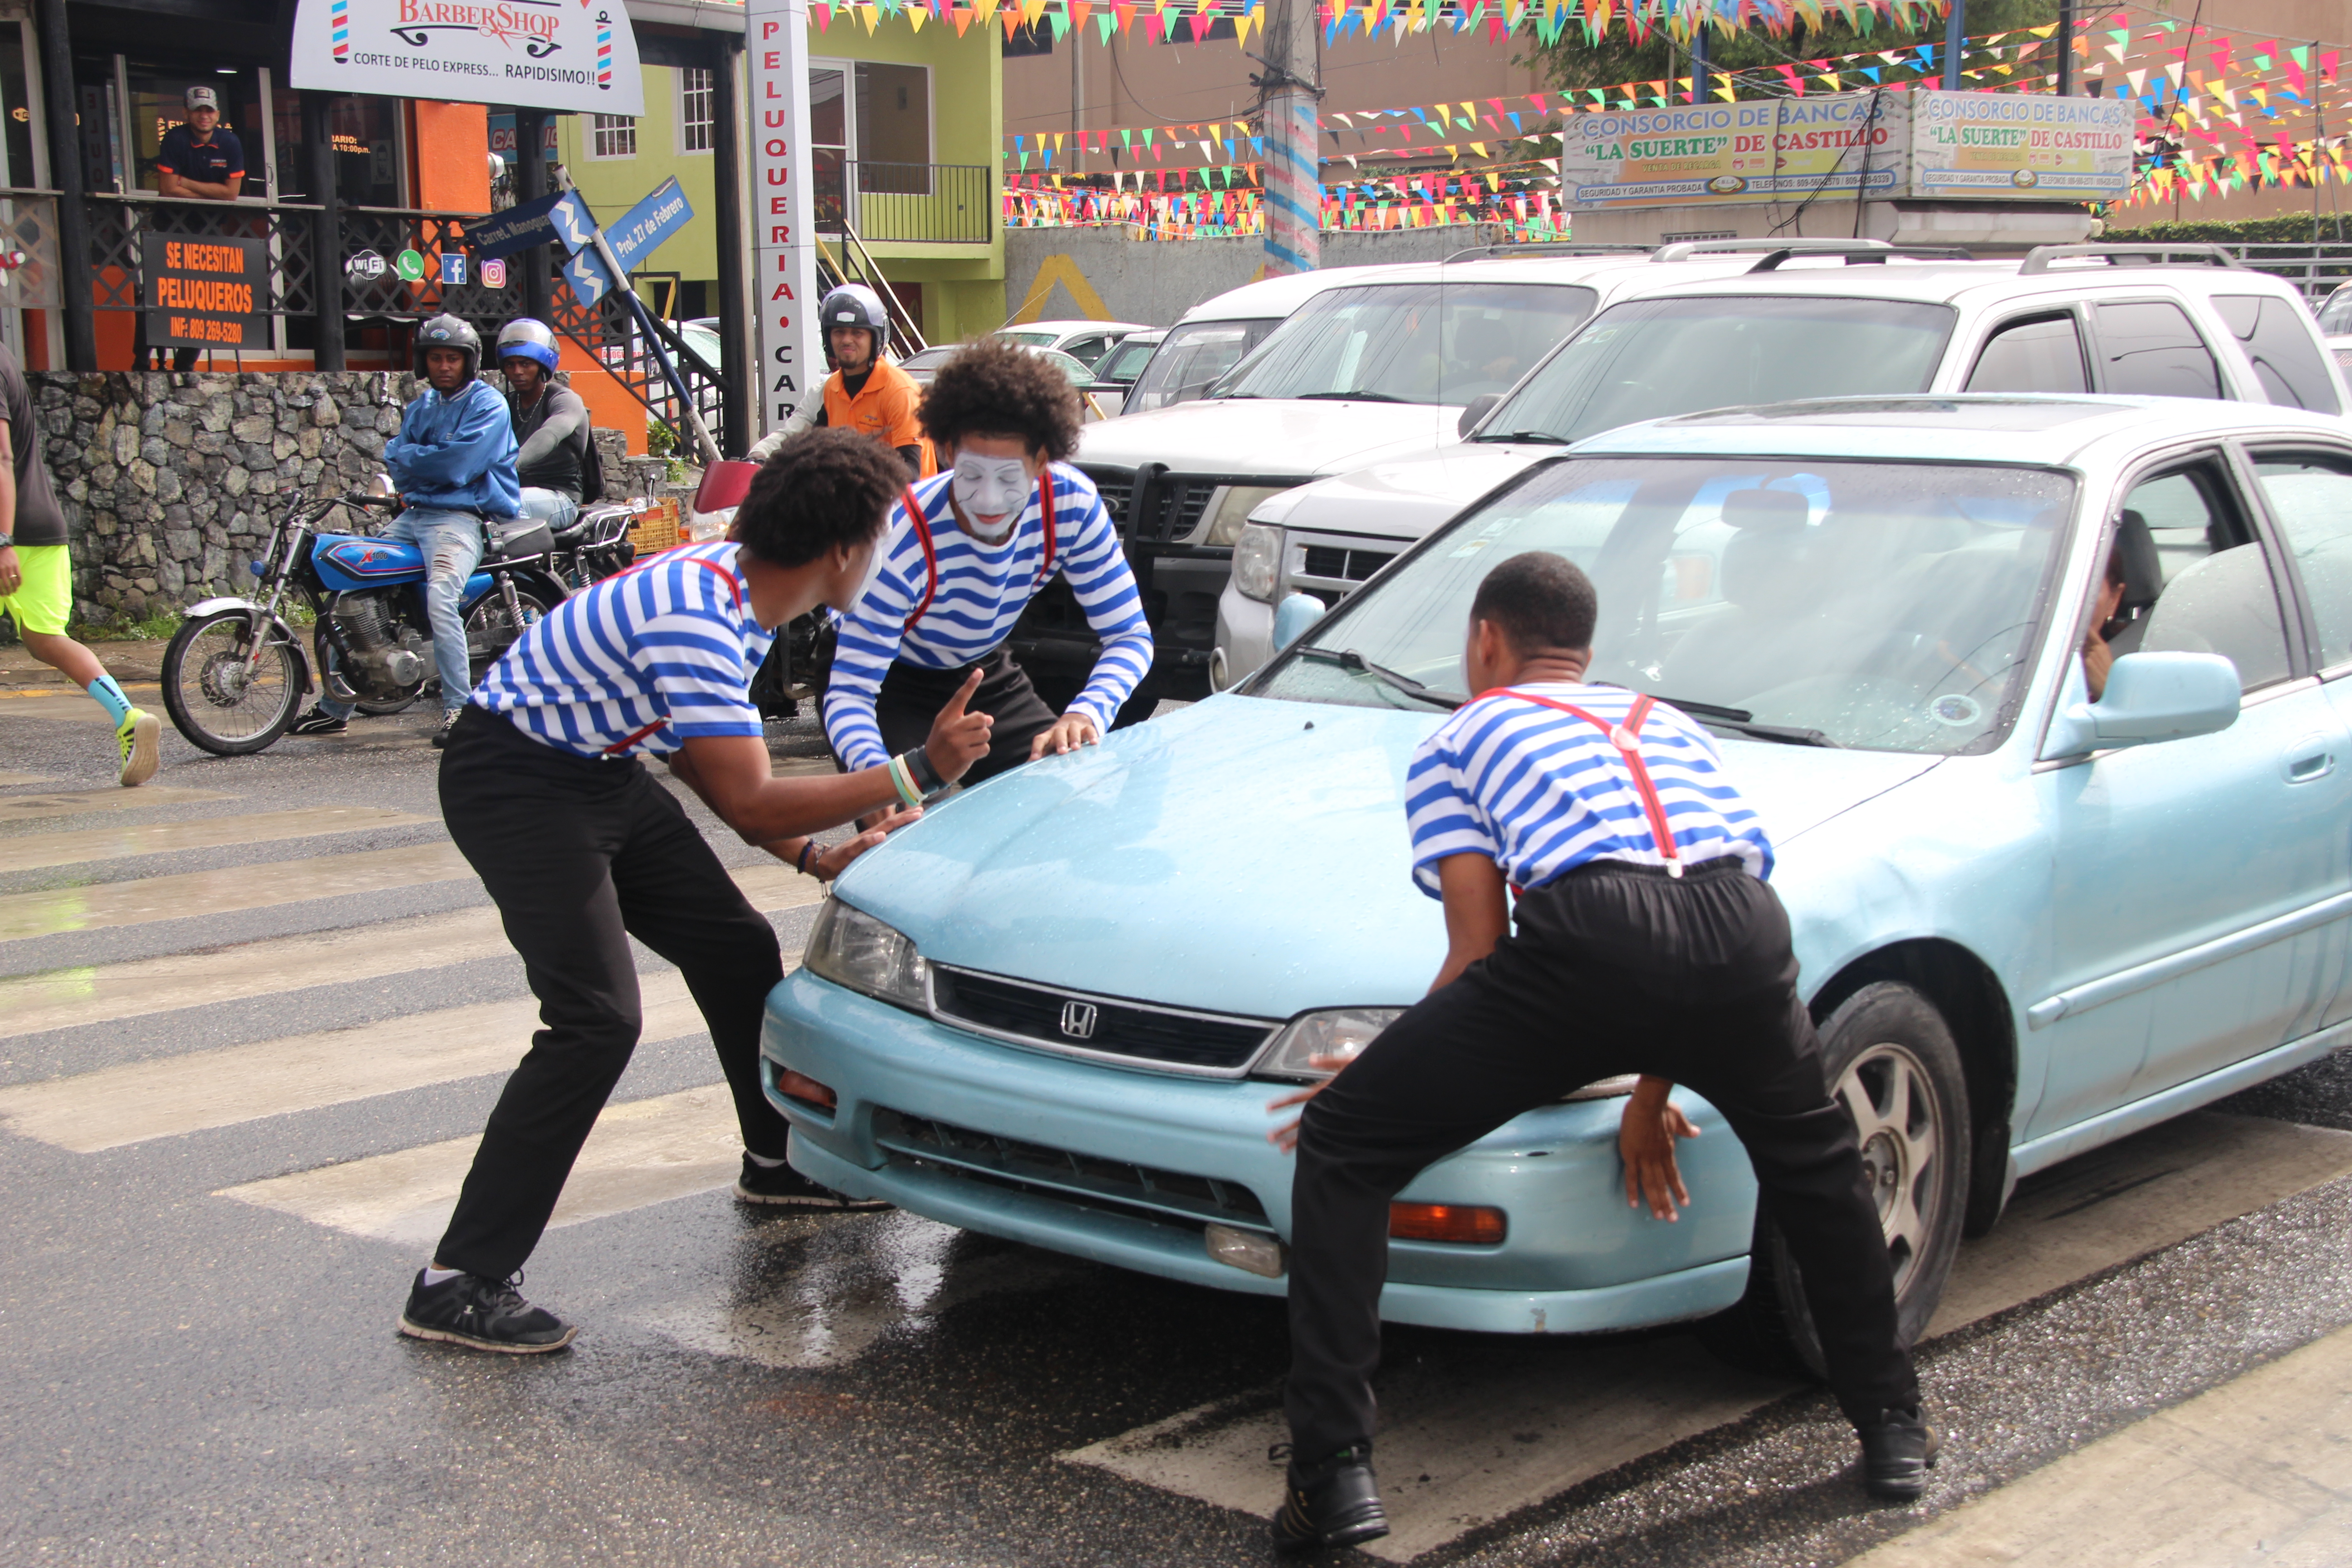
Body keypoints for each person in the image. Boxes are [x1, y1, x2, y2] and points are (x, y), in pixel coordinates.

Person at [1264, 552, 1933, 1553]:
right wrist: (1648, 1086)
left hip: (1593, 934)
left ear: (1486, 640)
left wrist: (1371, 1073)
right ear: (1583, 648)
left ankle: (1333, 1477)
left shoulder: (1462, 734)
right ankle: (1893, 1429)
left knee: (1349, 1144)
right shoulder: (1666, 722)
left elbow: (1481, 951)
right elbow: (1691, 919)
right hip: (1748, 929)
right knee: (1819, 1173)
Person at [397, 429, 997, 1353]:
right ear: (843, 551)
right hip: (515, 778)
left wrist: (814, 857)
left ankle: (776, 1161)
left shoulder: (737, 589)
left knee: (734, 945)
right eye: (877, 541)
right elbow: (749, 793)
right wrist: (917, 768)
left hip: (597, 769)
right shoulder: (703, 615)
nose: (879, 559)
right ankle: (459, 1278)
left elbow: (724, 784)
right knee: (595, 1019)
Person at [822, 337, 1152, 791]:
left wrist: (1085, 713)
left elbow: (1130, 636)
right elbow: (850, 695)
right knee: (906, 830)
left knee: (1061, 801)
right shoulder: (900, 535)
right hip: (889, 681)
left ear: (1040, 461)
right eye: (972, 474)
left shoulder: (1070, 504)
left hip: (980, 670)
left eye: (1009, 477)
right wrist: (880, 785)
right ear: (949, 453)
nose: (990, 500)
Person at [289, 314, 519, 749]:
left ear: (469, 362)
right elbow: (396, 459)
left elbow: (457, 466)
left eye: (453, 358)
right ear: (423, 362)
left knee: (441, 598)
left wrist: (419, 459)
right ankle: (336, 706)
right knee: (354, 587)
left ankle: (459, 708)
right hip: (414, 516)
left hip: (461, 519)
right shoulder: (423, 407)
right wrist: (424, 461)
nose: (444, 366)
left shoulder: (489, 405)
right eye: (436, 358)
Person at [0, 341, 158, 786]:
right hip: (41, 525)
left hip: (11, 531)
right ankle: (128, 716)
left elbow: (2, 457)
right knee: (45, 639)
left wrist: (3, 540)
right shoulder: (6, 357)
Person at [745, 284, 927, 478]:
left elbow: (911, 473)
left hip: (905, 505)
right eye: (839, 332)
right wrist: (760, 459)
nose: (847, 340)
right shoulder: (832, 388)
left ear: (876, 338)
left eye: (858, 333)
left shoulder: (900, 391)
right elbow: (804, 446)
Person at [148, 86, 246, 372]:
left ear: (217, 114)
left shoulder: (230, 142)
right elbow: (167, 189)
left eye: (209, 110)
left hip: (209, 227)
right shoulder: (175, 138)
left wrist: (187, 184)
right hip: (171, 223)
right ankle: (145, 361)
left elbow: (231, 194)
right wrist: (211, 193)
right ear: (186, 113)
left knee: (205, 299)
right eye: (198, 110)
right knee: (159, 295)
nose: (204, 116)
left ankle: (185, 364)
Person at [494, 318, 591, 534]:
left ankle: (530, 568)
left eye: (526, 364)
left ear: (543, 365)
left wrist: (513, 462)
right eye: (511, 365)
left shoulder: (564, 400)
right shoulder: (505, 404)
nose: (517, 371)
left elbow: (551, 434)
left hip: (561, 498)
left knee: (501, 503)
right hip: (514, 490)